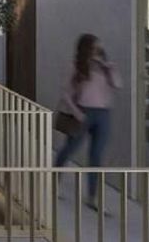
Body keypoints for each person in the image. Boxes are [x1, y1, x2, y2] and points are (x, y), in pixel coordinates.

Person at [55, 33, 122, 209]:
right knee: (69, 149)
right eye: (94, 48)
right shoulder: (76, 67)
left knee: (96, 155)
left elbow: (118, 85)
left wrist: (109, 68)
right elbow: (65, 93)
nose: (97, 52)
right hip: (83, 112)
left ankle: (92, 197)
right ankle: (54, 182)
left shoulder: (105, 68)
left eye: (99, 49)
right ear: (86, 49)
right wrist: (76, 112)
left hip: (103, 114)